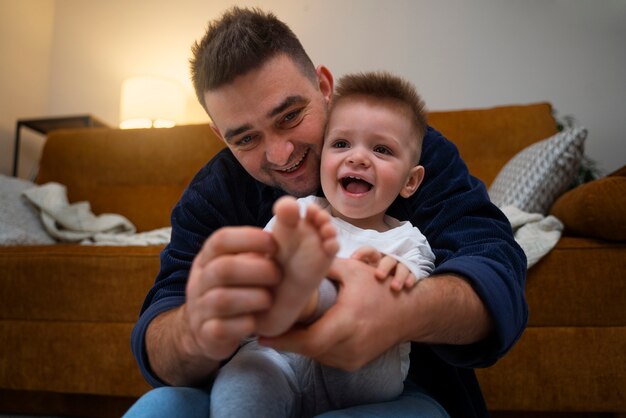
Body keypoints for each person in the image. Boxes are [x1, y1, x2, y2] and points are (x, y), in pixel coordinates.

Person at [125, 7, 527, 418]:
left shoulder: (403, 151)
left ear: (324, 86)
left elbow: (495, 266)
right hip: (261, 380)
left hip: (396, 394)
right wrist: (197, 329)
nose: (280, 154)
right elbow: (159, 332)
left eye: (290, 116)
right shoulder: (211, 195)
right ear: (218, 135)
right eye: (246, 138)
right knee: (158, 407)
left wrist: (403, 310)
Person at [209, 71, 437, 417]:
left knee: (351, 285)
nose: (357, 158)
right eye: (341, 144)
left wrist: (398, 278)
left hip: (358, 372)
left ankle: (307, 291)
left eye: (381, 149)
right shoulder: (299, 214)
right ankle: (293, 294)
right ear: (323, 157)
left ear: (410, 181)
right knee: (243, 378)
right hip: (277, 357)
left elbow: (417, 302)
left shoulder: (408, 241)